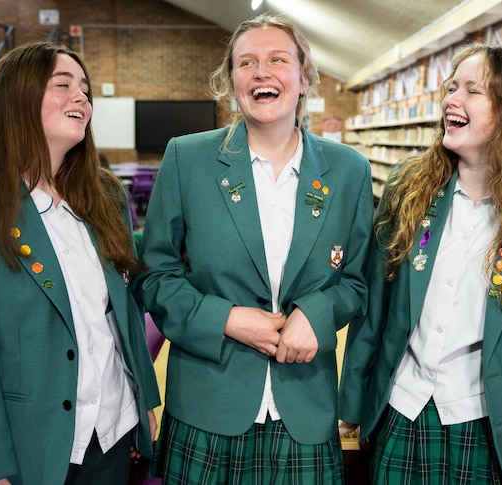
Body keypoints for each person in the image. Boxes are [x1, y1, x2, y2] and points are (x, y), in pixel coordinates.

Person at [339, 44, 502, 484]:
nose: (450, 100)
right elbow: (376, 308)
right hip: (402, 413)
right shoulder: (409, 188)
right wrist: (351, 403)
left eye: (471, 91)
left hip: (492, 428)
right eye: (450, 88)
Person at [134, 13, 373, 484]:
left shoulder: (349, 171)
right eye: (247, 63)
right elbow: (155, 276)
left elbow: (357, 280)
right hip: (207, 404)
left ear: (305, 78)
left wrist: (318, 314)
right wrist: (225, 318)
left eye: (277, 60)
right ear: (232, 83)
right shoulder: (187, 158)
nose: (261, 72)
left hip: (305, 411)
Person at [0, 41, 160, 485]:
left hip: (112, 435)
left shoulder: (106, 195)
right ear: (17, 100)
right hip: (34, 450)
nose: (81, 98)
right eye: (63, 85)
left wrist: (142, 399)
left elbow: (123, 312)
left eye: (85, 90)